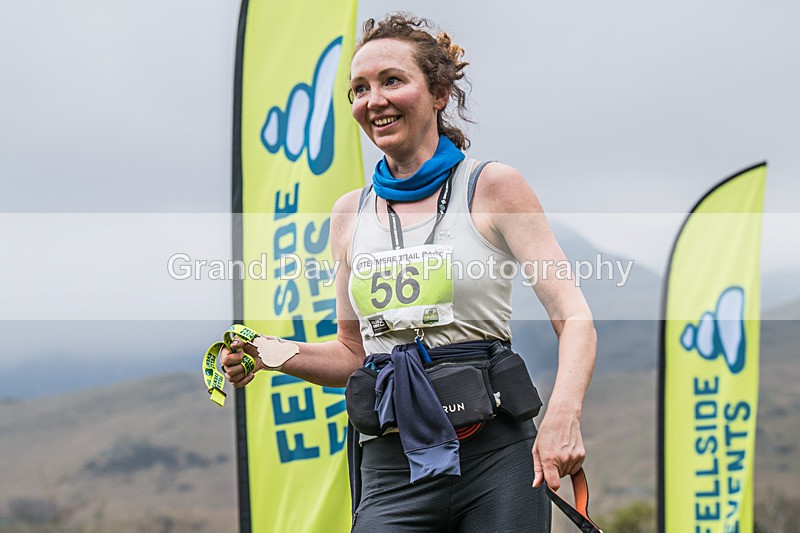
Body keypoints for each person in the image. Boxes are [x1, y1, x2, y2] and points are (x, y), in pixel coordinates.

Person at [222, 14, 596, 533]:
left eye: (391, 81)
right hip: (392, 469)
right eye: (358, 89)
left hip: (496, 459)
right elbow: (354, 353)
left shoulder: (493, 187)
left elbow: (574, 318)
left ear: (439, 92)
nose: (372, 100)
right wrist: (269, 353)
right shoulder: (349, 215)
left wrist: (563, 416)